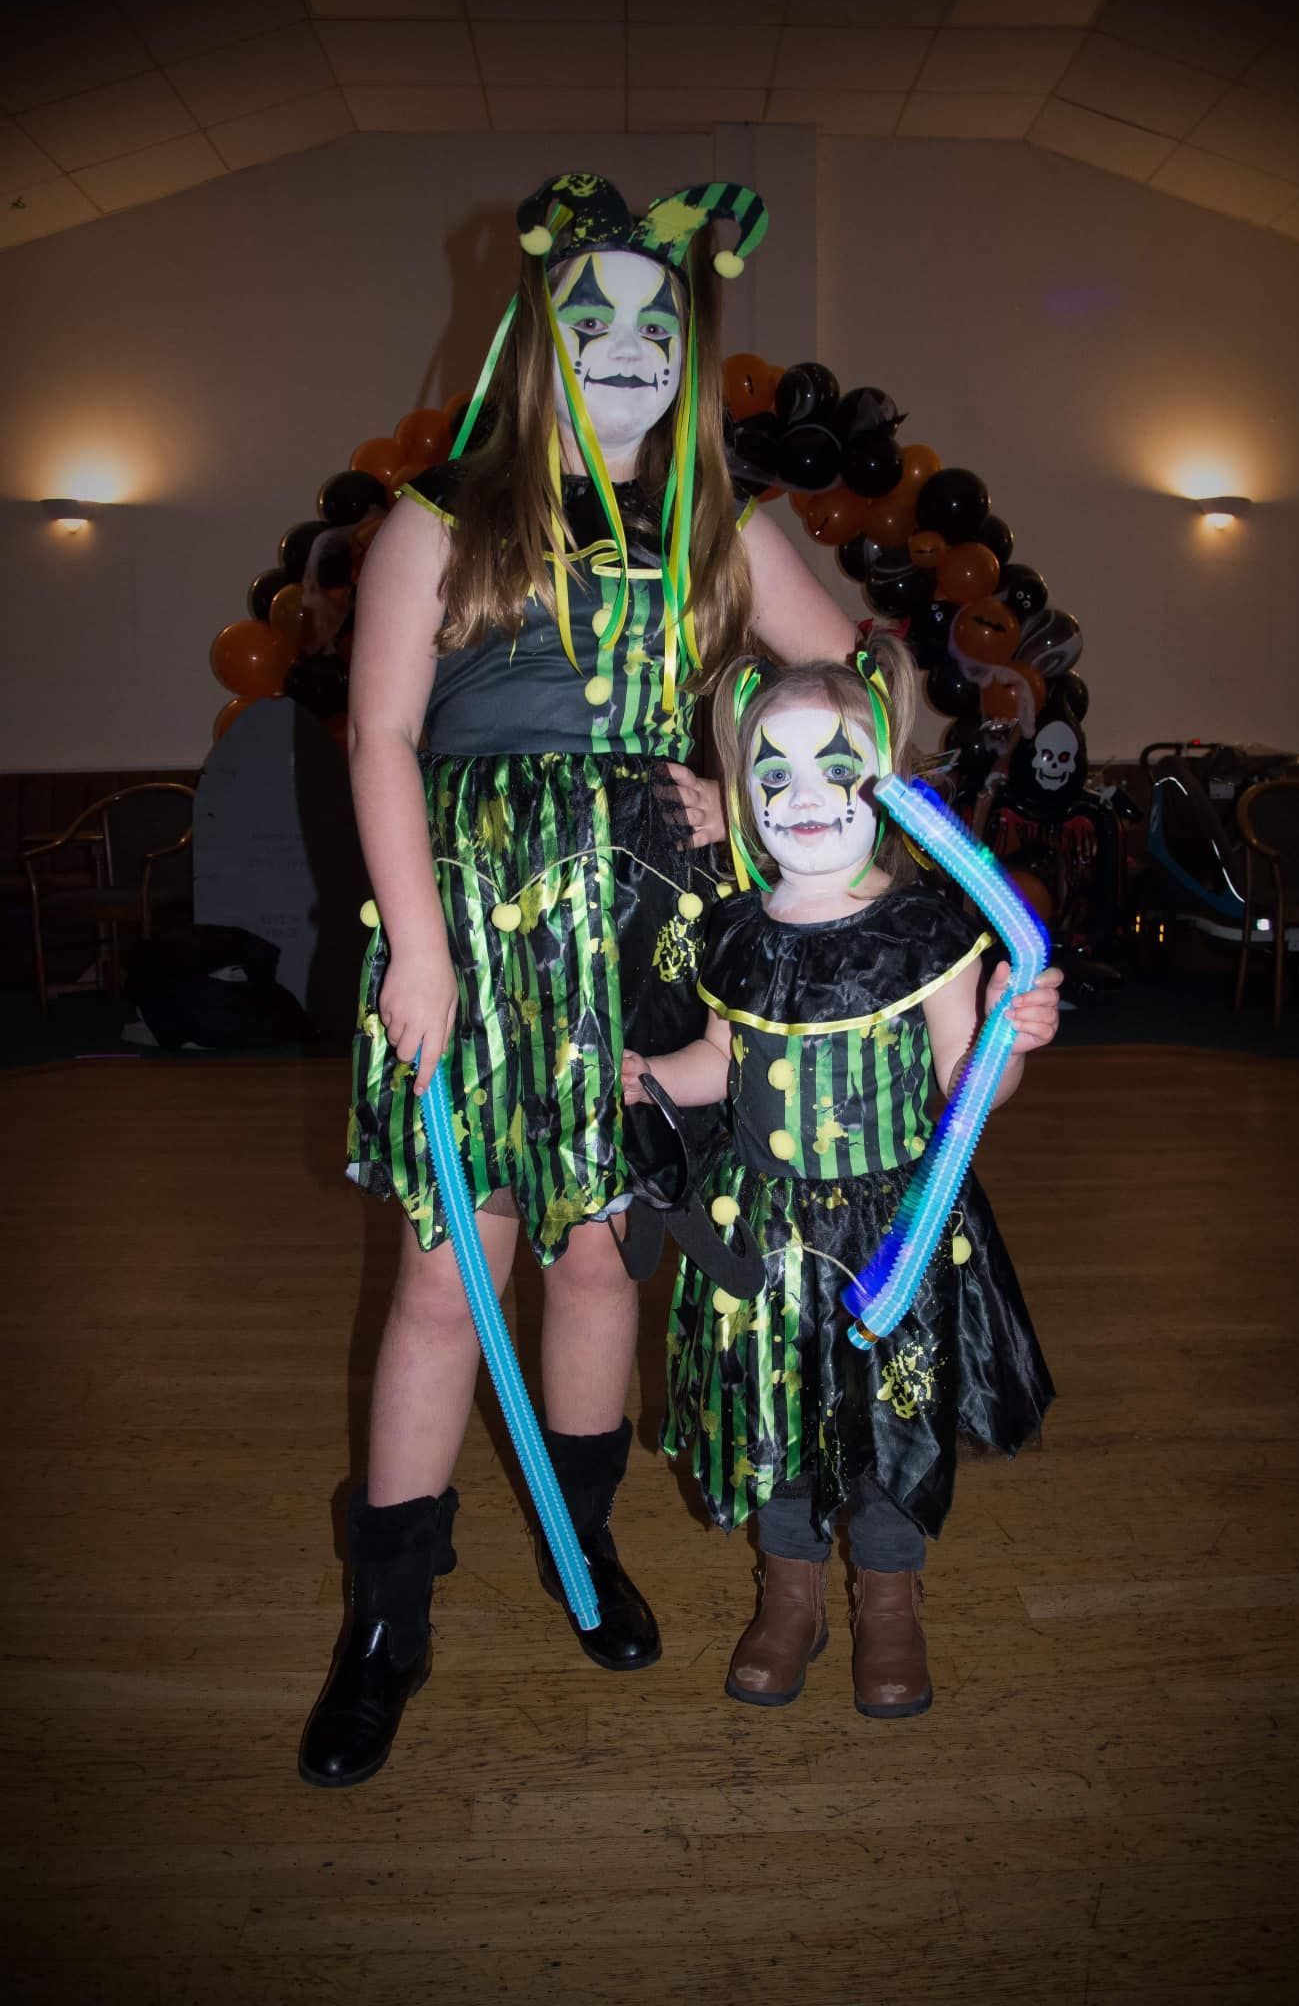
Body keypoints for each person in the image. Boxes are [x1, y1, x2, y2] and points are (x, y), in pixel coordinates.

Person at [299, 173, 853, 1787]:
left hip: (640, 928)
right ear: (538, 334)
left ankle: (577, 1538)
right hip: (474, 930)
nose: (627, 343)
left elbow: (855, 677)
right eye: (593, 313)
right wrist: (416, 947)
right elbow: (379, 736)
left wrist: (746, 792)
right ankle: (387, 1622)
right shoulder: (440, 514)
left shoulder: (721, 522)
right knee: (443, 1277)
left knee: (602, 1261)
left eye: (659, 318)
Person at [621, 642, 1059, 1719]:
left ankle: (890, 1603)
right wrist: (649, 1076)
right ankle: (790, 1595)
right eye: (774, 772)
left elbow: (967, 1088)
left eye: (838, 767)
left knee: (887, 1420)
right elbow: (720, 1062)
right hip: (764, 1235)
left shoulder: (927, 931)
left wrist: (1008, 1038)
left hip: (893, 1231)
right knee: (778, 1416)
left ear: (889, 782)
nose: (806, 796)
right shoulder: (735, 930)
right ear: (743, 790)